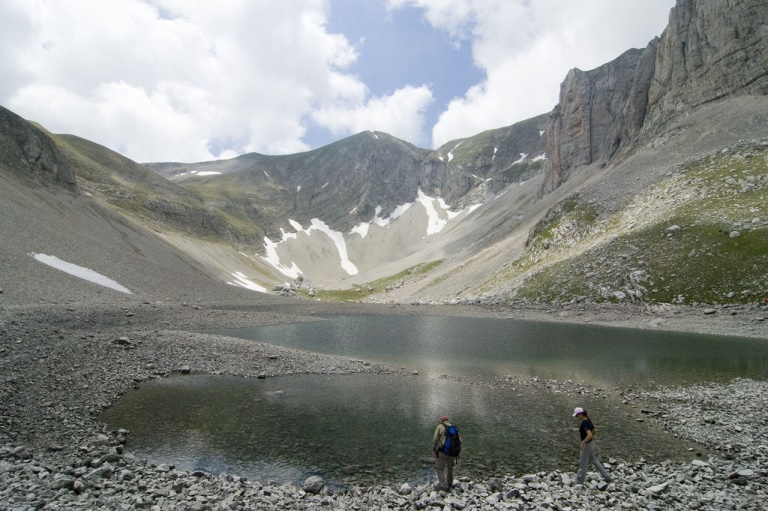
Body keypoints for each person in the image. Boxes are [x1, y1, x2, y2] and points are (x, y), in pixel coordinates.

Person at [573, 407, 612, 484]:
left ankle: (579, 481)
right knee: (594, 461)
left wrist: (583, 442)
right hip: (591, 444)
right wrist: (588, 440)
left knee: (583, 463)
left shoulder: (584, 423)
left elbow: (590, 435)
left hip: (587, 445)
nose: (576, 417)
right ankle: (607, 477)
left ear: (580, 414)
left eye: (576, 415)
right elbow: (594, 432)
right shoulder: (588, 421)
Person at [432, 415, 459, 490]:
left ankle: (444, 486)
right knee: (450, 467)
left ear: (441, 421)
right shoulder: (453, 428)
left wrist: (434, 448)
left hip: (443, 451)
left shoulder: (440, 426)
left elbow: (435, 439)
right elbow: (459, 441)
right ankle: (450, 483)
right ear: (448, 421)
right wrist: (458, 453)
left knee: (439, 468)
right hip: (453, 452)